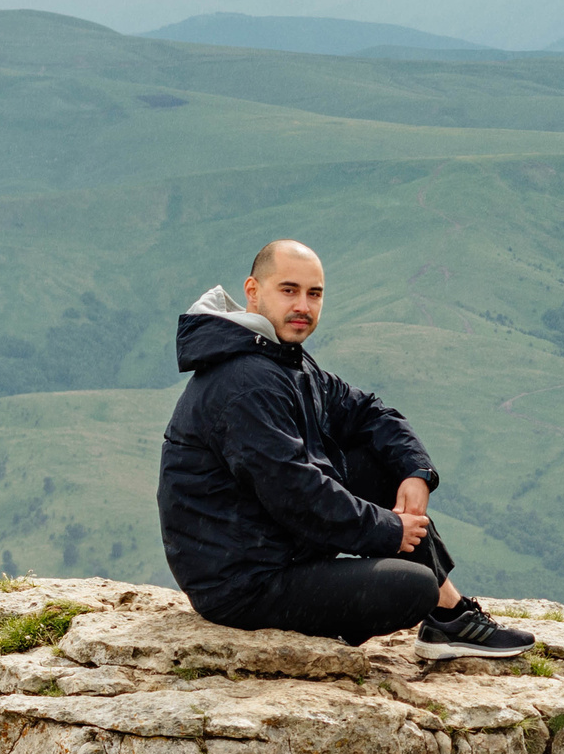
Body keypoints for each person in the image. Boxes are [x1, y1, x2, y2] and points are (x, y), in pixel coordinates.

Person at [156, 239, 536, 658]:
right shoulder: (244, 381)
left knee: (380, 459)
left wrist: (416, 471)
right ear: (252, 291)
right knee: (411, 588)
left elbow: (368, 412)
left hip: (277, 546)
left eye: (313, 293)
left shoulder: (285, 360)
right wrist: (390, 531)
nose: (303, 305)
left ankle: (449, 617)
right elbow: (295, 491)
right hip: (242, 582)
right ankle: (441, 614)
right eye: (289, 290)